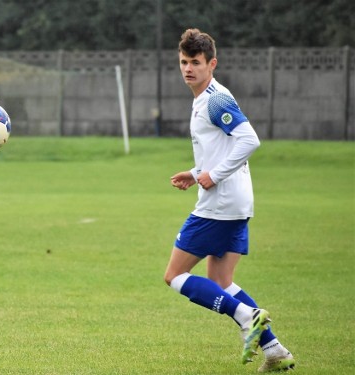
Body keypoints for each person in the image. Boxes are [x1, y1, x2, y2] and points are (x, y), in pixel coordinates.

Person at [163, 29, 295, 373]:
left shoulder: (216, 99)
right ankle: (275, 349)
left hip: (219, 205)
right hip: (235, 202)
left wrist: (214, 175)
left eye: (195, 62)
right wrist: (197, 172)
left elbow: (248, 140)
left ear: (212, 64)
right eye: (183, 62)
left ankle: (246, 315)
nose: (188, 68)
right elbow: (222, 149)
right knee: (221, 280)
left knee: (175, 275)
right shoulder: (205, 98)